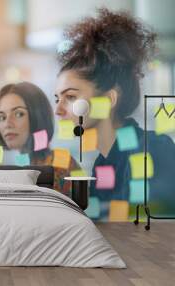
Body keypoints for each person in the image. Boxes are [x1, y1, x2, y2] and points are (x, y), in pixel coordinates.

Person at [54, 8, 175, 219]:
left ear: (109, 99)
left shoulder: (154, 148)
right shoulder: (105, 162)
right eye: (57, 98)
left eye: (71, 97)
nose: (58, 109)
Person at [0, 82, 80, 195]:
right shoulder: (14, 167)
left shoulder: (60, 162)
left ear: (37, 117)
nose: (7, 123)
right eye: (2, 117)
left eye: (18, 114)